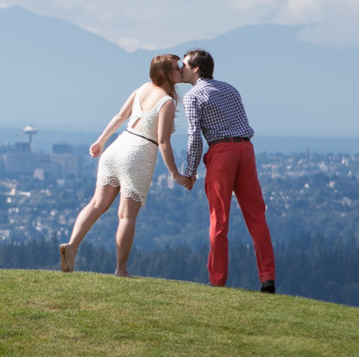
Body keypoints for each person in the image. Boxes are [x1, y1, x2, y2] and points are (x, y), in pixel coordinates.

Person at [59, 54, 191, 277]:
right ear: (165, 74)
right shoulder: (166, 102)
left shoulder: (141, 89)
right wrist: (175, 174)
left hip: (116, 147)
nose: (180, 70)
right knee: (127, 216)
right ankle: (121, 270)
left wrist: (101, 141)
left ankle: (71, 246)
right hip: (138, 154)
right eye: (176, 68)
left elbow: (120, 116)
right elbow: (164, 142)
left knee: (96, 204)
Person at [180, 48, 277, 293]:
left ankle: (217, 280)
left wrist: (189, 172)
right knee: (256, 216)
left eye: (184, 66)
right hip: (246, 149)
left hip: (222, 153)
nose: (181, 70)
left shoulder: (192, 96)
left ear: (196, 68)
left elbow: (194, 137)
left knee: (219, 218)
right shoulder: (230, 89)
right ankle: (268, 277)